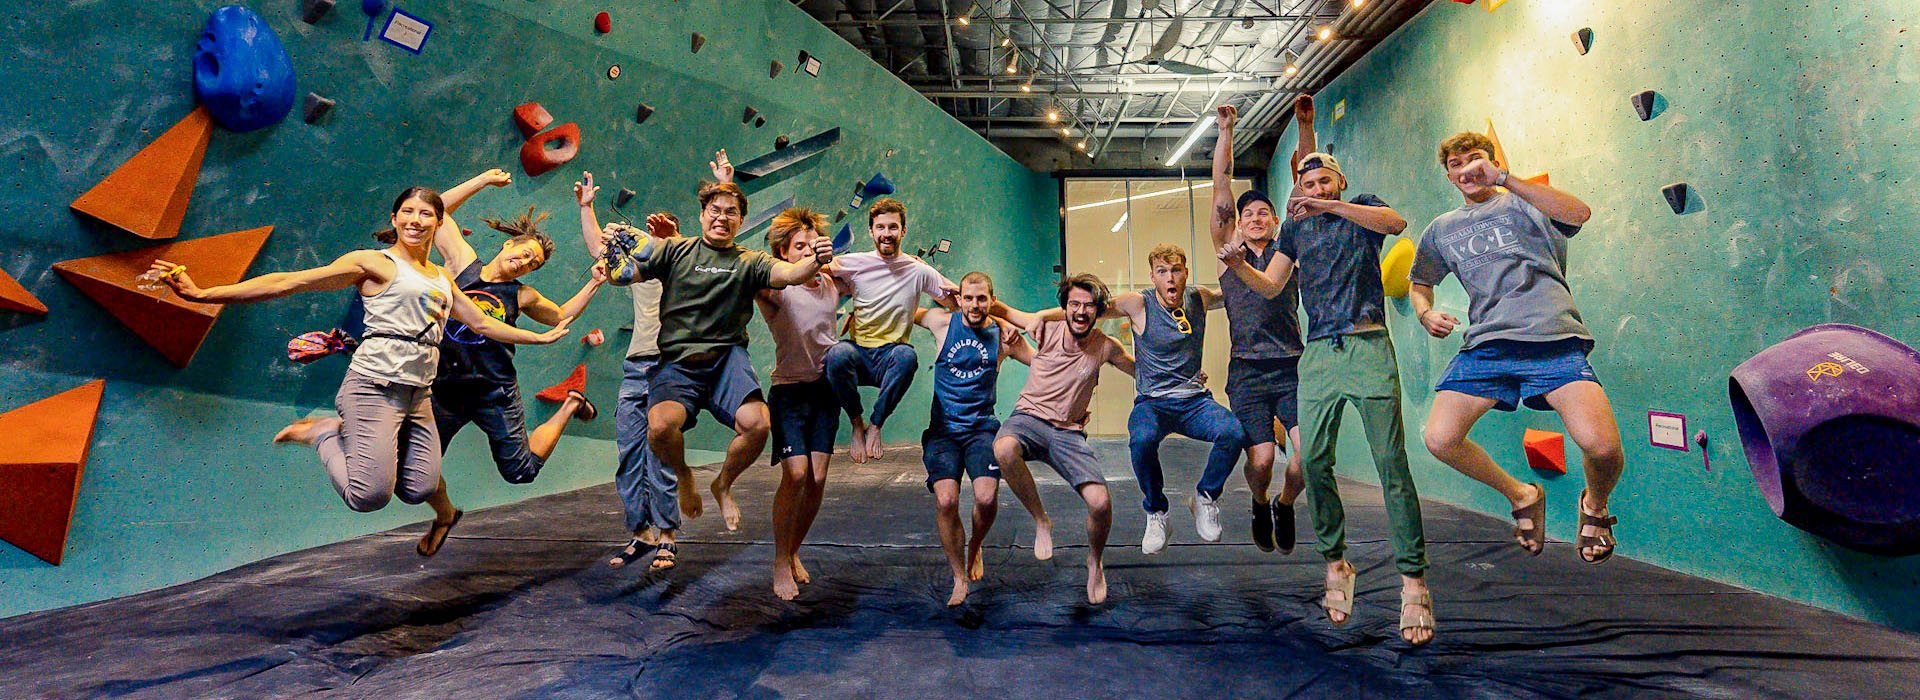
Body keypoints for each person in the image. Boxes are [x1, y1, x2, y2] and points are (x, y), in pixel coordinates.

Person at [148, 187, 569, 528]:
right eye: (407, 212)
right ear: (395, 219)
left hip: (419, 395)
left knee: (420, 488)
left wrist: (540, 338)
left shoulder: (443, 277)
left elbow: (482, 324)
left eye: (426, 214)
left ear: (438, 223)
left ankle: (348, 439)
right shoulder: (374, 263)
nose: (416, 220)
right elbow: (289, 282)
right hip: (374, 387)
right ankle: (324, 434)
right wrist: (204, 294)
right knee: (368, 497)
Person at [1218, 128, 1431, 646]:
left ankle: (1413, 582)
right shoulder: (1294, 230)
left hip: (1368, 344)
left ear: (1340, 182)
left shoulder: (1362, 208)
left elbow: (1396, 224)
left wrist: (1330, 206)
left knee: (1391, 463)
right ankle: (1336, 563)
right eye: (1308, 183)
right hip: (1317, 354)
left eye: (1324, 181)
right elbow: (1272, 285)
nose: (1315, 189)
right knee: (1311, 461)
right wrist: (1239, 266)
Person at [1408, 131, 1623, 568]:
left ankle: (1595, 506)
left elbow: (1579, 213)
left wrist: (1505, 179)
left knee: (1602, 448)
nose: (1466, 169)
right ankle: (1522, 495)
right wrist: (1425, 313)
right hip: (1488, 345)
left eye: (1474, 159)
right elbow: (1420, 283)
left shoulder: (1528, 202)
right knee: (1440, 438)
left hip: (1552, 339)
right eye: (1455, 164)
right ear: (1449, 176)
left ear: (1491, 162)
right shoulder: (1442, 229)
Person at [604, 170, 834, 571]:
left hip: (727, 359)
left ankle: (723, 484)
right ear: (702, 214)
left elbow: (790, 274)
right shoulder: (675, 250)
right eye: (715, 210)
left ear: (740, 221)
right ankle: (685, 477)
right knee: (659, 428)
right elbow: (623, 275)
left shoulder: (750, 261)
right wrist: (608, 245)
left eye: (730, 212)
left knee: (758, 424)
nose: (721, 217)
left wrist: (815, 260)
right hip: (678, 361)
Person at [404, 168, 607, 557]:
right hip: (444, 390)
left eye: (533, 264)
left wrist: (595, 282)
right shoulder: (462, 262)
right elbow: (434, 211)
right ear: (509, 243)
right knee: (414, 474)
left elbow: (561, 315)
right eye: (525, 253)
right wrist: (481, 181)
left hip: (494, 391)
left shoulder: (522, 295)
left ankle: (571, 403)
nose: (525, 262)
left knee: (521, 472)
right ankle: (446, 516)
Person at [1053, 245, 1244, 554]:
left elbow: (1236, 292)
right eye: (1162, 272)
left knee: (1233, 432)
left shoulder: (1199, 298)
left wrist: (1268, 268)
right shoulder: (1139, 303)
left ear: (1186, 273)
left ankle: (1205, 497)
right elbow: (1088, 310)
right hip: (1153, 403)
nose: (1170, 278)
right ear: (1153, 276)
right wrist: (1035, 318)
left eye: (1176, 270)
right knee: (1141, 440)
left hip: (1194, 401)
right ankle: (1156, 512)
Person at [990, 274, 1135, 604]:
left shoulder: (1106, 346)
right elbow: (1000, 309)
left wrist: (1184, 376)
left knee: (1100, 503)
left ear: (1099, 310)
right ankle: (1041, 520)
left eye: (1089, 306)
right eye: (1074, 304)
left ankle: (1095, 561)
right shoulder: (1046, 327)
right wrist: (950, 292)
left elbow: (1141, 370)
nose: (1081, 312)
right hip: (1029, 419)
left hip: (1068, 433)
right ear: (1064, 307)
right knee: (1004, 448)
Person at [1207, 101, 1309, 556]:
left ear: (1274, 220)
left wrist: (1304, 126)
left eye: (1264, 212)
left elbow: (1304, 189)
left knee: (1307, 458)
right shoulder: (1229, 252)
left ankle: (1285, 504)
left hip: (1292, 366)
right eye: (1248, 214)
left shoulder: (1288, 248)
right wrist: (1226, 130)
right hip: (1247, 371)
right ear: (1239, 223)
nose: (1255, 218)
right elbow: (1221, 186)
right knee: (1263, 459)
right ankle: (1260, 500)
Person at [913, 271, 1040, 606]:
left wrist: (1081, 386)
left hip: (982, 428)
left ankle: (976, 546)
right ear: (959, 299)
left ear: (992, 300)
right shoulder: (941, 322)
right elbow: (903, 307)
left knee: (985, 498)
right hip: (943, 431)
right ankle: (959, 577)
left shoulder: (1004, 336)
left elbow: (1043, 365)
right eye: (968, 298)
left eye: (981, 298)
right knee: (946, 501)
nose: (974, 305)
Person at [573, 171, 676, 570]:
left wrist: (669, 238)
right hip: (636, 365)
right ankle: (641, 533)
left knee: (660, 452)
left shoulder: (685, 267)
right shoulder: (639, 271)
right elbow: (600, 250)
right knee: (629, 451)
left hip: (670, 367)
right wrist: (587, 208)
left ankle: (667, 536)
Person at [751, 207, 850, 599]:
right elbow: (742, 272)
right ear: (783, 253)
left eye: (812, 245)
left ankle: (793, 551)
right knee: (795, 475)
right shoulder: (777, 290)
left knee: (818, 478)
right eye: (799, 247)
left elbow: (878, 271)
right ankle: (780, 559)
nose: (808, 252)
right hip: (789, 392)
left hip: (825, 392)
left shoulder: (832, 282)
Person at [823, 198, 958, 463]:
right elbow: (817, 270)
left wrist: (992, 315)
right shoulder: (853, 262)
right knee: (836, 354)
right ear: (871, 231)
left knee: (907, 356)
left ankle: (875, 426)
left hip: (891, 357)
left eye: (893, 227)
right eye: (881, 227)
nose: (887, 233)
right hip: (858, 353)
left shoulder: (918, 270)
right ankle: (857, 424)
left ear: (903, 231)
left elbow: (955, 301)